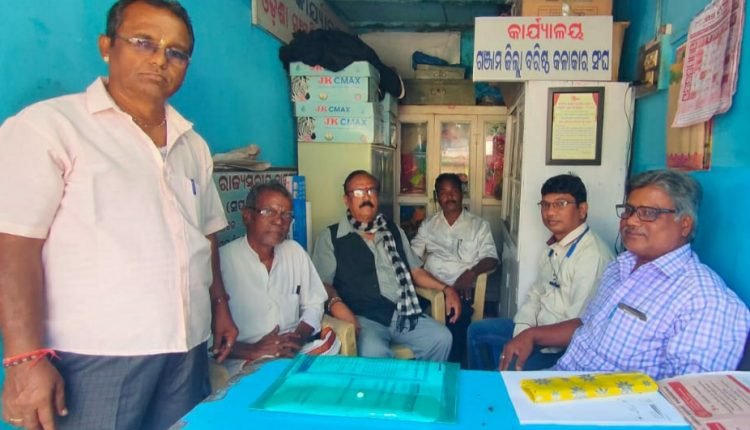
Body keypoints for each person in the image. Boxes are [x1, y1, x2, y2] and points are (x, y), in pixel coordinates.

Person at [0, 1, 239, 429]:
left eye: (176, 52)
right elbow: (14, 246)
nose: (160, 59)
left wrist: (219, 306)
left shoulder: (193, 145)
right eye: (144, 42)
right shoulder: (50, 127)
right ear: (106, 46)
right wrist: (25, 358)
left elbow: (204, 236)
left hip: (186, 348)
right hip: (94, 356)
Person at [500, 169, 750, 380]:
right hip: (562, 378)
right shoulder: (621, 267)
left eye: (648, 213)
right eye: (629, 210)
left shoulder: (705, 300)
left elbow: (686, 401)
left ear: (684, 224)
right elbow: (589, 324)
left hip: (603, 407)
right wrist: (531, 334)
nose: (631, 221)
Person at [467, 174, 613, 370]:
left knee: (508, 366)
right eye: (545, 205)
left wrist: (532, 338)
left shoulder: (593, 256)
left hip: (562, 349)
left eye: (560, 204)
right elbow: (536, 294)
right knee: (477, 331)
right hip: (536, 332)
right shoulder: (553, 248)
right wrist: (522, 331)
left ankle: (497, 382)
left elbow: (579, 327)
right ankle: (483, 383)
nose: (550, 212)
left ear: (582, 209)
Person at [312, 170, 457, 361]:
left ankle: (421, 381)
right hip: (362, 318)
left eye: (371, 191)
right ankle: (391, 382)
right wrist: (337, 305)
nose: (366, 197)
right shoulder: (330, 237)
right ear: (346, 200)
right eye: (358, 192)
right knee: (374, 352)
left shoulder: (393, 231)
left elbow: (415, 271)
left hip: (402, 312)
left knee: (441, 338)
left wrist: (447, 289)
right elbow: (322, 285)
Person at [219, 182, 328, 377]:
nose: (279, 221)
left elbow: (314, 304)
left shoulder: (294, 252)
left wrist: (297, 339)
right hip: (245, 360)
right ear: (247, 216)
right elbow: (208, 340)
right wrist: (255, 350)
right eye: (269, 211)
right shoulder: (222, 261)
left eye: (286, 215)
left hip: (294, 352)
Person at [411, 173, 498, 364]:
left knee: (455, 326)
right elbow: (412, 256)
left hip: (460, 290)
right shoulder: (429, 224)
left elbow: (491, 258)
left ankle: (451, 368)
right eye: (443, 192)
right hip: (428, 288)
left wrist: (471, 273)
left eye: (454, 191)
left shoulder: (478, 225)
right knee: (406, 318)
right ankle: (420, 368)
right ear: (437, 197)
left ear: (462, 194)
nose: (449, 197)